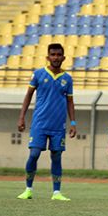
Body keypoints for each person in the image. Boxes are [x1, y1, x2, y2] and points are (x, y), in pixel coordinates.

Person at [16, 43, 76, 201]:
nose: (56, 57)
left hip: (58, 125)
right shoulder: (38, 74)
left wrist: (73, 123)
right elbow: (28, 96)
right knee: (34, 154)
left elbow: (70, 102)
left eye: (58, 55)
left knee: (56, 156)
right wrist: (22, 117)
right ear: (48, 57)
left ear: (64, 57)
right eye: (53, 54)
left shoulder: (67, 79)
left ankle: (56, 192)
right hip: (40, 124)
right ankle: (28, 189)